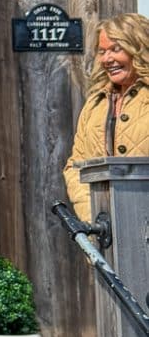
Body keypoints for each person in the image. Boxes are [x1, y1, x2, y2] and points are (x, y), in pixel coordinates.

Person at [64, 13, 149, 222]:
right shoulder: (95, 105)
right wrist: (93, 215)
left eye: (115, 49)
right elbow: (76, 167)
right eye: (102, 51)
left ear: (138, 48)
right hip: (107, 233)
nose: (106, 59)